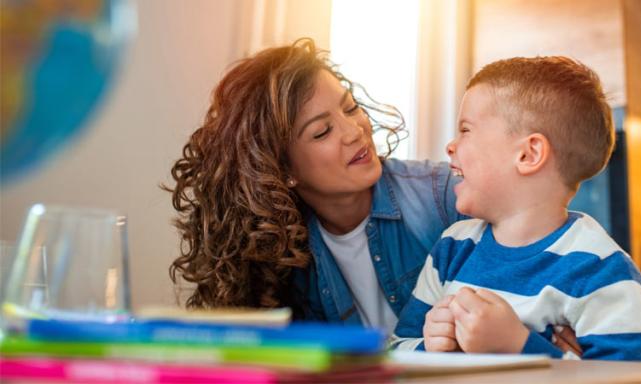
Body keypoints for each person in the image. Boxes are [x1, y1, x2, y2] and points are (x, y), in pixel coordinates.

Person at [165, 38, 463, 336]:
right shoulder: (279, 255)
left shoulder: (446, 196)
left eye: (350, 108)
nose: (354, 131)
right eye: (322, 132)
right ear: (281, 170)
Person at [391, 56, 641, 361]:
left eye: (466, 130)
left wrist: (519, 345)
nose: (451, 146)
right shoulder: (452, 249)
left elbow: (639, 378)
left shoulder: (601, 271)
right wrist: (431, 347)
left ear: (528, 154)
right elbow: (396, 350)